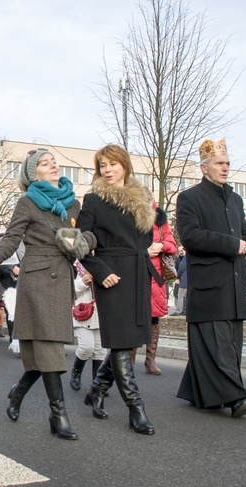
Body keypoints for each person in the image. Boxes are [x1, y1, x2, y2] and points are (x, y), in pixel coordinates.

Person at [0, 148, 94, 440]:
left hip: (62, 276)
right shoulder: (26, 203)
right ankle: (58, 414)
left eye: (53, 161)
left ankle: (17, 395)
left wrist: (82, 241)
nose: (52, 165)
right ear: (31, 173)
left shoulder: (73, 203)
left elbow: (91, 233)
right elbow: (11, 239)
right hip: (37, 280)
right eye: (43, 163)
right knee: (49, 347)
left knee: (42, 352)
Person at [78, 144, 159, 434]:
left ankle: (97, 389)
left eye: (113, 164)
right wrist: (101, 272)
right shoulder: (94, 200)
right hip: (111, 276)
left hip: (137, 275)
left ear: (125, 165)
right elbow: (81, 244)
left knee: (129, 341)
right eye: (102, 165)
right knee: (122, 343)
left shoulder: (142, 198)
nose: (108, 170)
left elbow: (145, 239)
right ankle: (136, 409)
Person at [175, 138, 246, 418]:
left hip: (234, 284)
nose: (225, 168)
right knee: (219, 346)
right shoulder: (189, 198)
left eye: (227, 164)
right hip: (209, 285)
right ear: (204, 168)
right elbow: (191, 236)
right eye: (219, 164)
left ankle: (195, 391)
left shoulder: (235, 199)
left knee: (231, 346)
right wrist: (232, 245)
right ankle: (236, 397)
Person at [135, 205, 177, 375]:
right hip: (137, 272)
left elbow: (172, 245)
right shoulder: (131, 217)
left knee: (154, 318)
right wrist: (145, 251)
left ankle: (150, 360)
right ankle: (128, 361)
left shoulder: (161, 222)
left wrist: (161, 245)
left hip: (157, 276)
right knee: (134, 318)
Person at [69, 261, 105, 392]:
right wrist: (82, 283)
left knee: (101, 351)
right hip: (83, 311)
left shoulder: (105, 261)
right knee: (86, 347)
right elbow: (66, 290)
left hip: (102, 313)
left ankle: (98, 383)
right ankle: (76, 372)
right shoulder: (74, 264)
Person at [174, 250, 188, 316]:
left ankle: (178, 310)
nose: (181, 252)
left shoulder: (184, 259)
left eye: (182, 251)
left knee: (180, 296)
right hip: (188, 280)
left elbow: (180, 269)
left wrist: (178, 277)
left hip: (183, 280)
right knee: (185, 296)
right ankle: (185, 310)